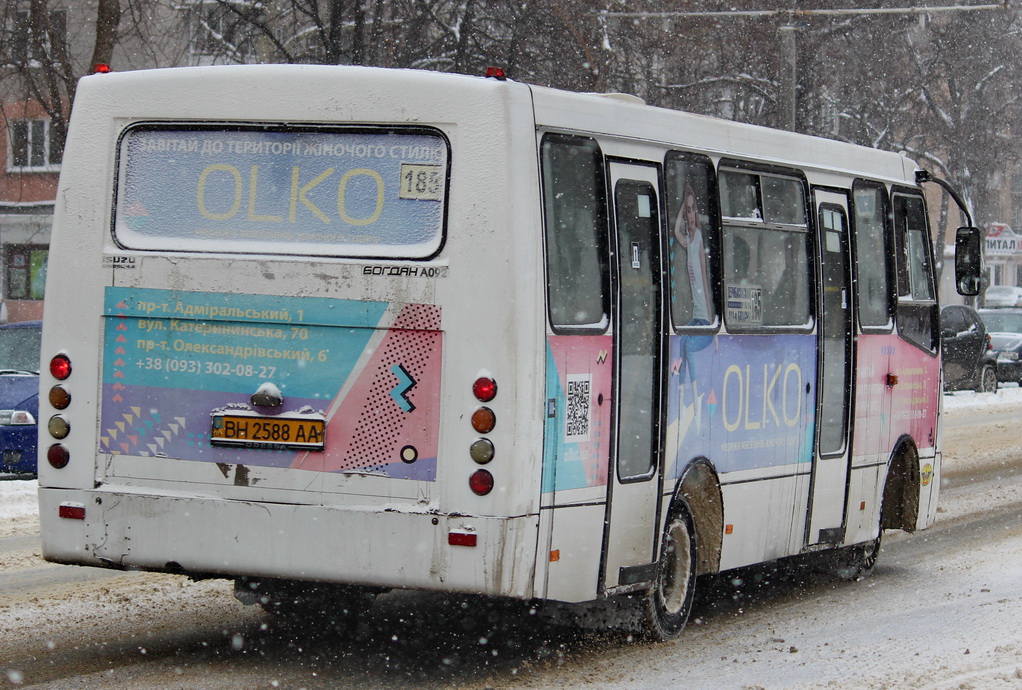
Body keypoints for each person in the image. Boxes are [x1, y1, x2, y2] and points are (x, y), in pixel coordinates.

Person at [671, 182, 714, 411]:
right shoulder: (687, 241)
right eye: (687, 211)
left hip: (704, 319)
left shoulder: (697, 240)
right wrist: (681, 207)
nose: (689, 215)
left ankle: (695, 394)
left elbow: (705, 280)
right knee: (682, 341)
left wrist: (714, 327)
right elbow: (676, 231)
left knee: (688, 346)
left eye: (692, 210)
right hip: (696, 318)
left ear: (697, 213)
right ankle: (680, 391)